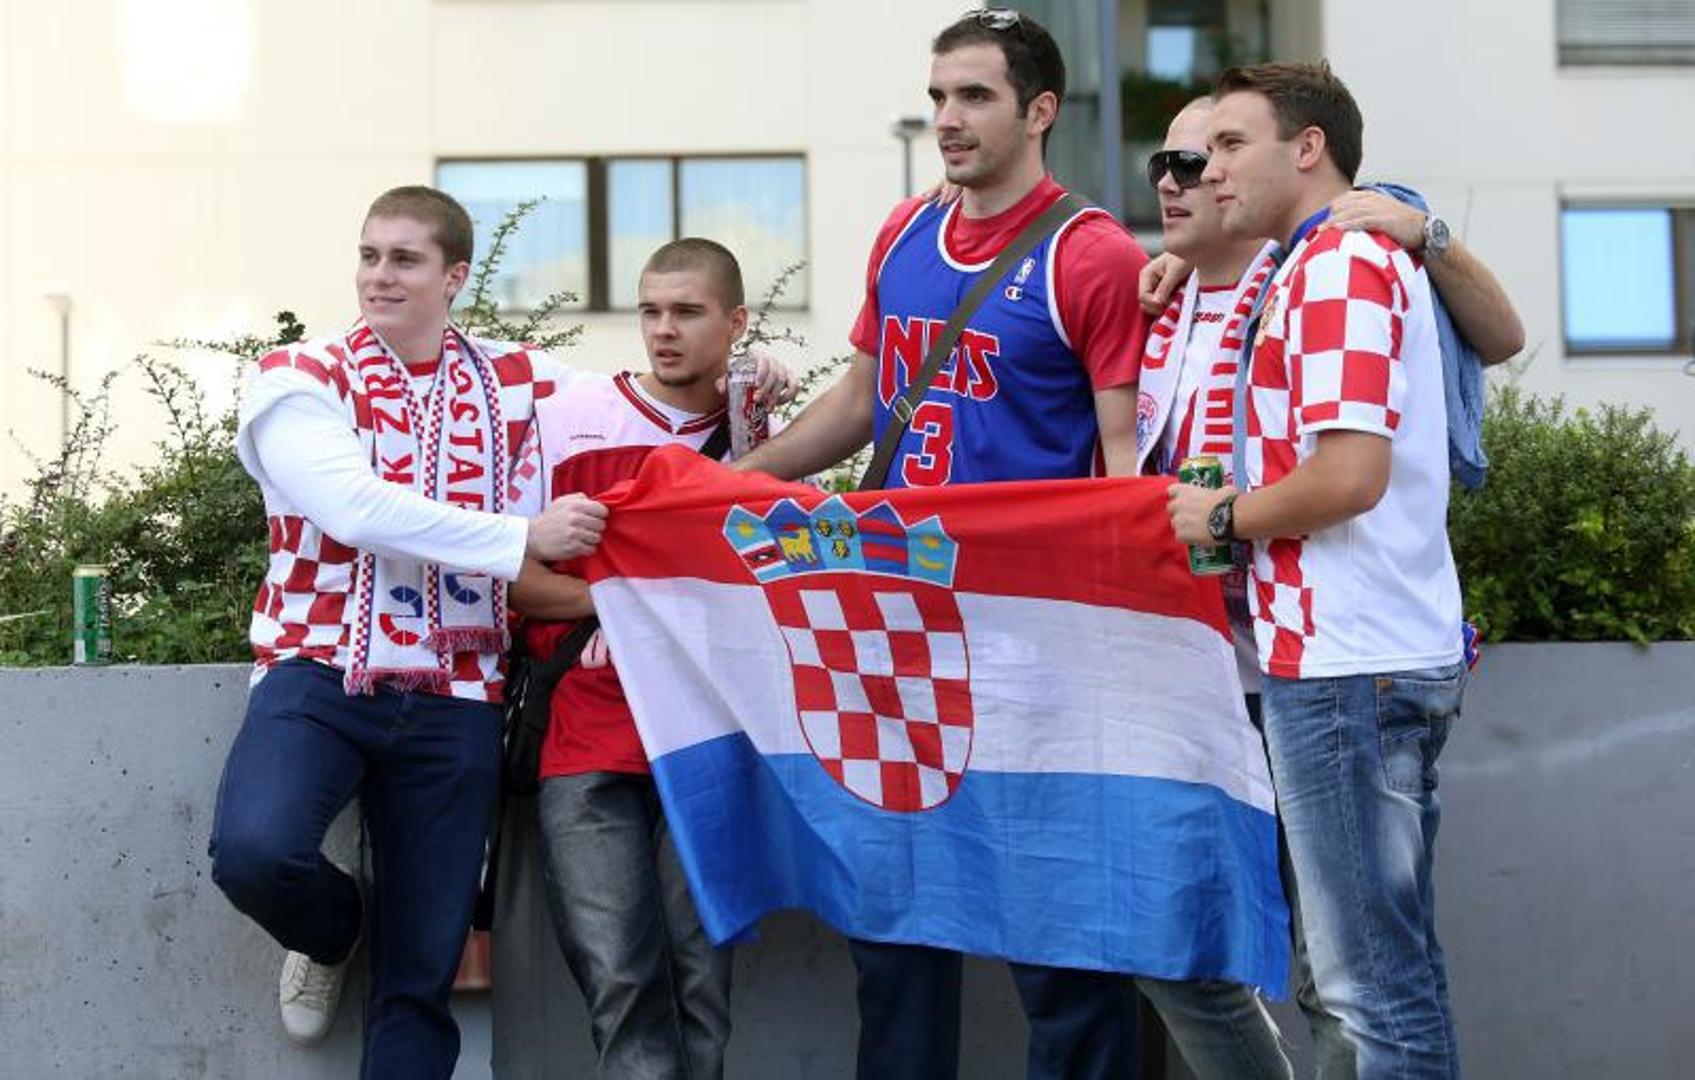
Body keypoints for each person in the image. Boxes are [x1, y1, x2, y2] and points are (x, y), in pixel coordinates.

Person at [736, 9, 1153, 1079]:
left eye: (974, 96)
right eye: (937, 97)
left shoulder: (1091, 252)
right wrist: (735, 483)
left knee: (1057, 937)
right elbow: (864, 400)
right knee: (896, 932)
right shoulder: (903, 232)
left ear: (1040, 110)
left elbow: (1123, 465)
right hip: (894, 630)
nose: (948, 119)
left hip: (1032, 644)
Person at [1142, 94, 1523, 1077]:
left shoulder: (1343, 255)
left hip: (1340, 662)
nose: (1199, 174)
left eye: (1224, 148)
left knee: (1363, 987)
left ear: (1305, 148)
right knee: (1371, 976)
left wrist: (1221, 518)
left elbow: (1351, 476)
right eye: (1180, 161)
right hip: (1304, 663)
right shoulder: (1277, 267)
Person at [207, 185, 607, 1078]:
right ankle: (333, 929)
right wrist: (521, 535)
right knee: (255, 854)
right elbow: (356, 510)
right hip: (320, 671)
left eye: (404, 259)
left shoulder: (518, 379)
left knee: (422, 974)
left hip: (460, 691)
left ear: (454, 276)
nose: (378, 276)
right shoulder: (299, 377)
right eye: (369, 255)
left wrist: (745, 379)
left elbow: (639, 409)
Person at [505, 238, 794, 1080]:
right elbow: (512, 575)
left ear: (735, 323)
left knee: (702, 980)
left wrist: (757, 424)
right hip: (585, 736)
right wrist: (623, 600)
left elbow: (778, 584)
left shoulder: (760, 434)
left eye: (687, 312)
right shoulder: (570, 415)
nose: (663, 330)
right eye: (650, 311)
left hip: (711, 737)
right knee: (621, 981)